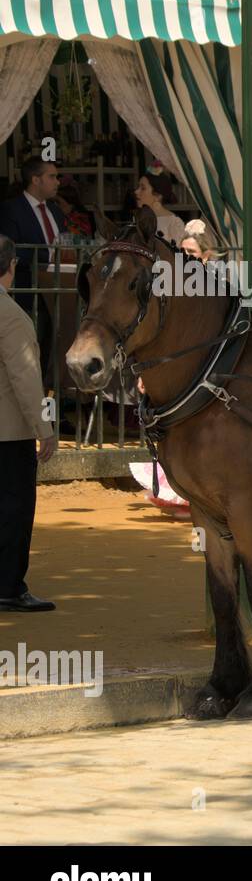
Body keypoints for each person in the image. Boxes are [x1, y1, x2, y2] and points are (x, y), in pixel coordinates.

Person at [0, 234, 57, 612]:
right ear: (12, 266)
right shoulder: (12, 315)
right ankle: (8, 585)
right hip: (8, 432)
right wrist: (46, 429)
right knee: (14, 509)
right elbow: (25, 377)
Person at [0, 158, 65, 375]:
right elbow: (10, 249)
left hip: (56, 294)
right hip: (27, 294)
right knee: (28, 354)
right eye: (52, 177)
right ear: (35, 180)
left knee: (50, 353)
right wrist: (48, 255)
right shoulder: (11, 209)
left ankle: (48, 400)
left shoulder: (55, 211)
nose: (58, 182)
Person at [133, 172, 187, 247]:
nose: (136, 191)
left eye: (143, 188)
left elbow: (179, 256)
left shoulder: (174, 223)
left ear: (157, 195)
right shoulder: (137, 219)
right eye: (138, 187)